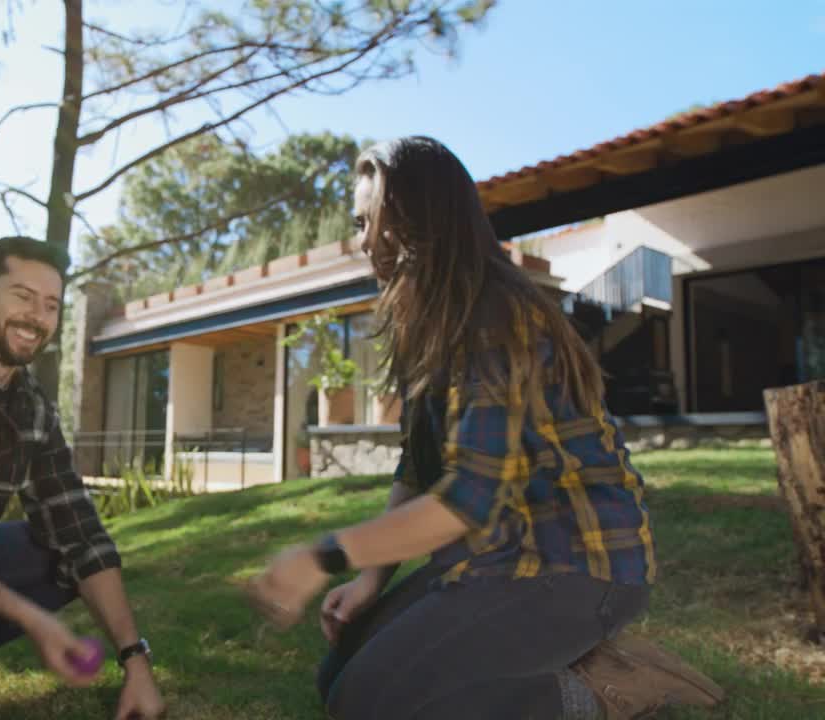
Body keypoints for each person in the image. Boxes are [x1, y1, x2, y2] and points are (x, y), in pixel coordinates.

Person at [247, 137, 724, 720]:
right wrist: (372, 578)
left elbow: (464, 503)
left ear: (412, 220)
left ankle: (601, 695)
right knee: (340, 675)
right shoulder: (433, 323)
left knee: (369, 701)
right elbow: (419, 467)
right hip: (491, 560)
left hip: (576, 567)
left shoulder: (498, 317)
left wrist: (322, 557)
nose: (363, 240)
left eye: (368, 221)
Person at [0, 236, 166, 720]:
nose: (37, 317)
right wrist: (36, 622)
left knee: (58, 553)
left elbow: (81, 532)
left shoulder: (34, 410)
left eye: (50, 304)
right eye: (22, 296)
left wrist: (136, 662)